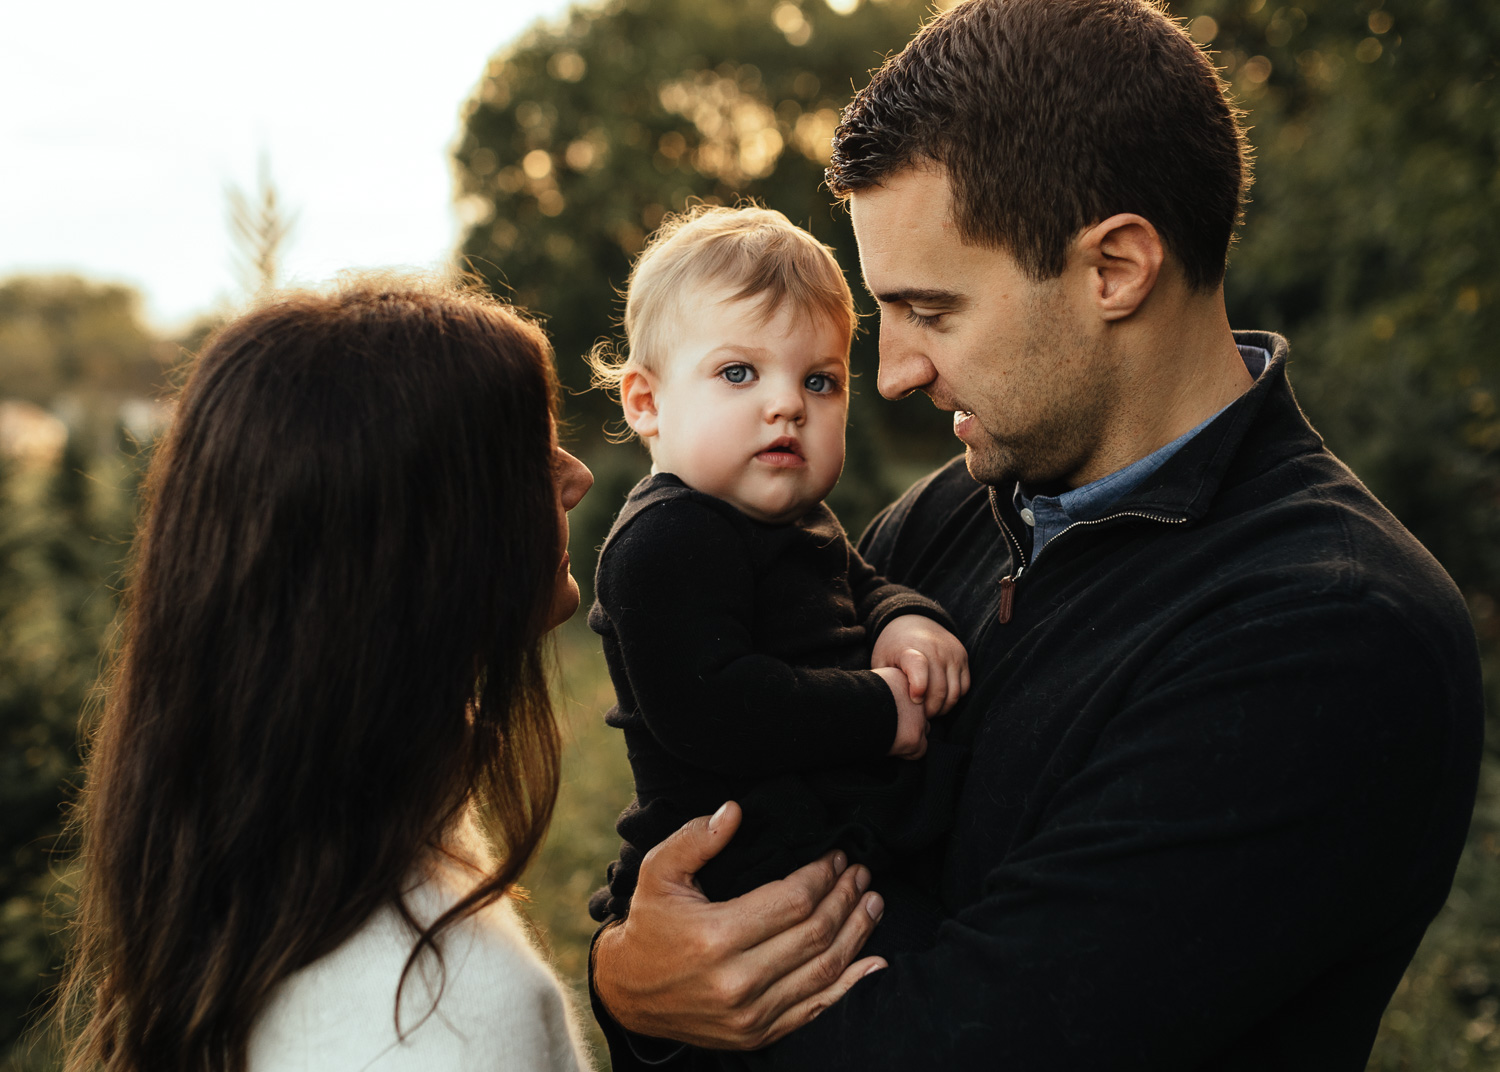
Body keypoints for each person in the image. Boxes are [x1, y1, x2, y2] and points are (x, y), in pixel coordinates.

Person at [587, 1, 1486, 1068]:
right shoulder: (945, 515)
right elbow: (699, 837)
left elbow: (973, 1042)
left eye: (934, 310)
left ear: (1114, 269)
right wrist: (627, 977)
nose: (895, 372)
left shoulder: (1332, 630)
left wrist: (665, 1009)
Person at [56, 278, 598, 1072]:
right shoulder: (435, 1024)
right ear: (425, 545)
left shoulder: (306, 855)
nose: (577, 477)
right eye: (530, 461)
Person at [583, 205, 970, 921]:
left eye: (819, 382)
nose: (787, 404)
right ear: (646, 401)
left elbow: (861, 584)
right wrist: (880, 710)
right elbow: (716, 710)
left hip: (824, 851)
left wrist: (901, 621)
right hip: (727, 878)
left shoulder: (791, 519)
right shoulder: (663, 539)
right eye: (738, 372)